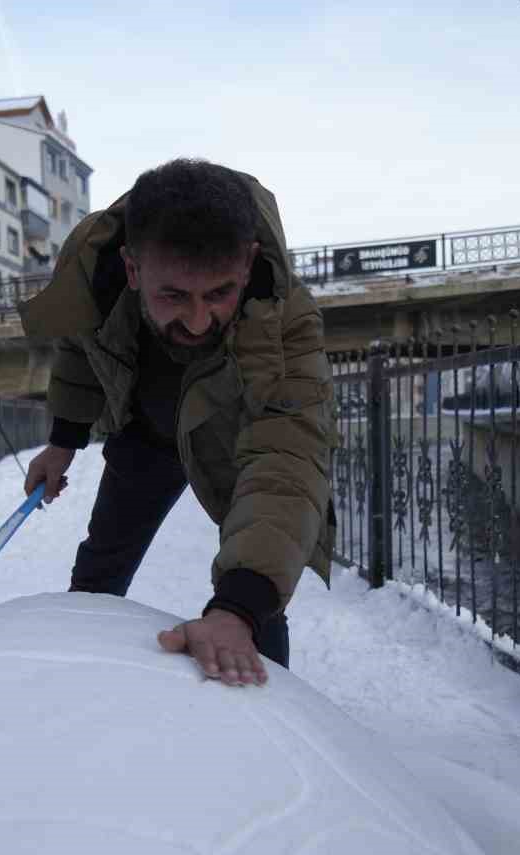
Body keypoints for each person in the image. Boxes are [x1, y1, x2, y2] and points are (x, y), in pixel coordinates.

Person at [18, 159, 335, 688]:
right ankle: (70, 687)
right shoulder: (90, 273)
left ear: (248, 261)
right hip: (145, 433)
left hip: (237, 443)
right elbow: (77, 350)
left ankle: (272, 715)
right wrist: (63, 442)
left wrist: (236, 608)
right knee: (98, 573)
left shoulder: (287, 322)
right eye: (174, 296)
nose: (197, 320)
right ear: (133, 269)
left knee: (255, 592)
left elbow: (286, 459)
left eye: (219, 294)